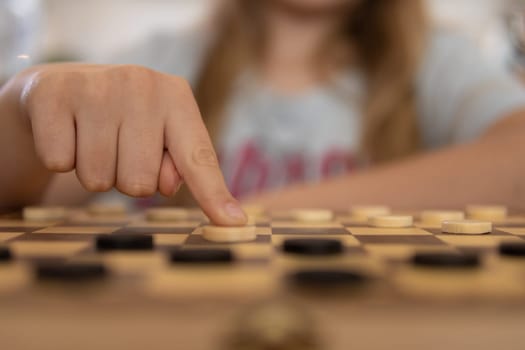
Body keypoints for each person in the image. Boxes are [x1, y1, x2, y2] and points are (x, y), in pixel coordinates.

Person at [1, 0, 524, 226]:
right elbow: (25, 183)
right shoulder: (163, 60)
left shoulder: (436, 63)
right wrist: (23, 102)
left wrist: (261, 213)